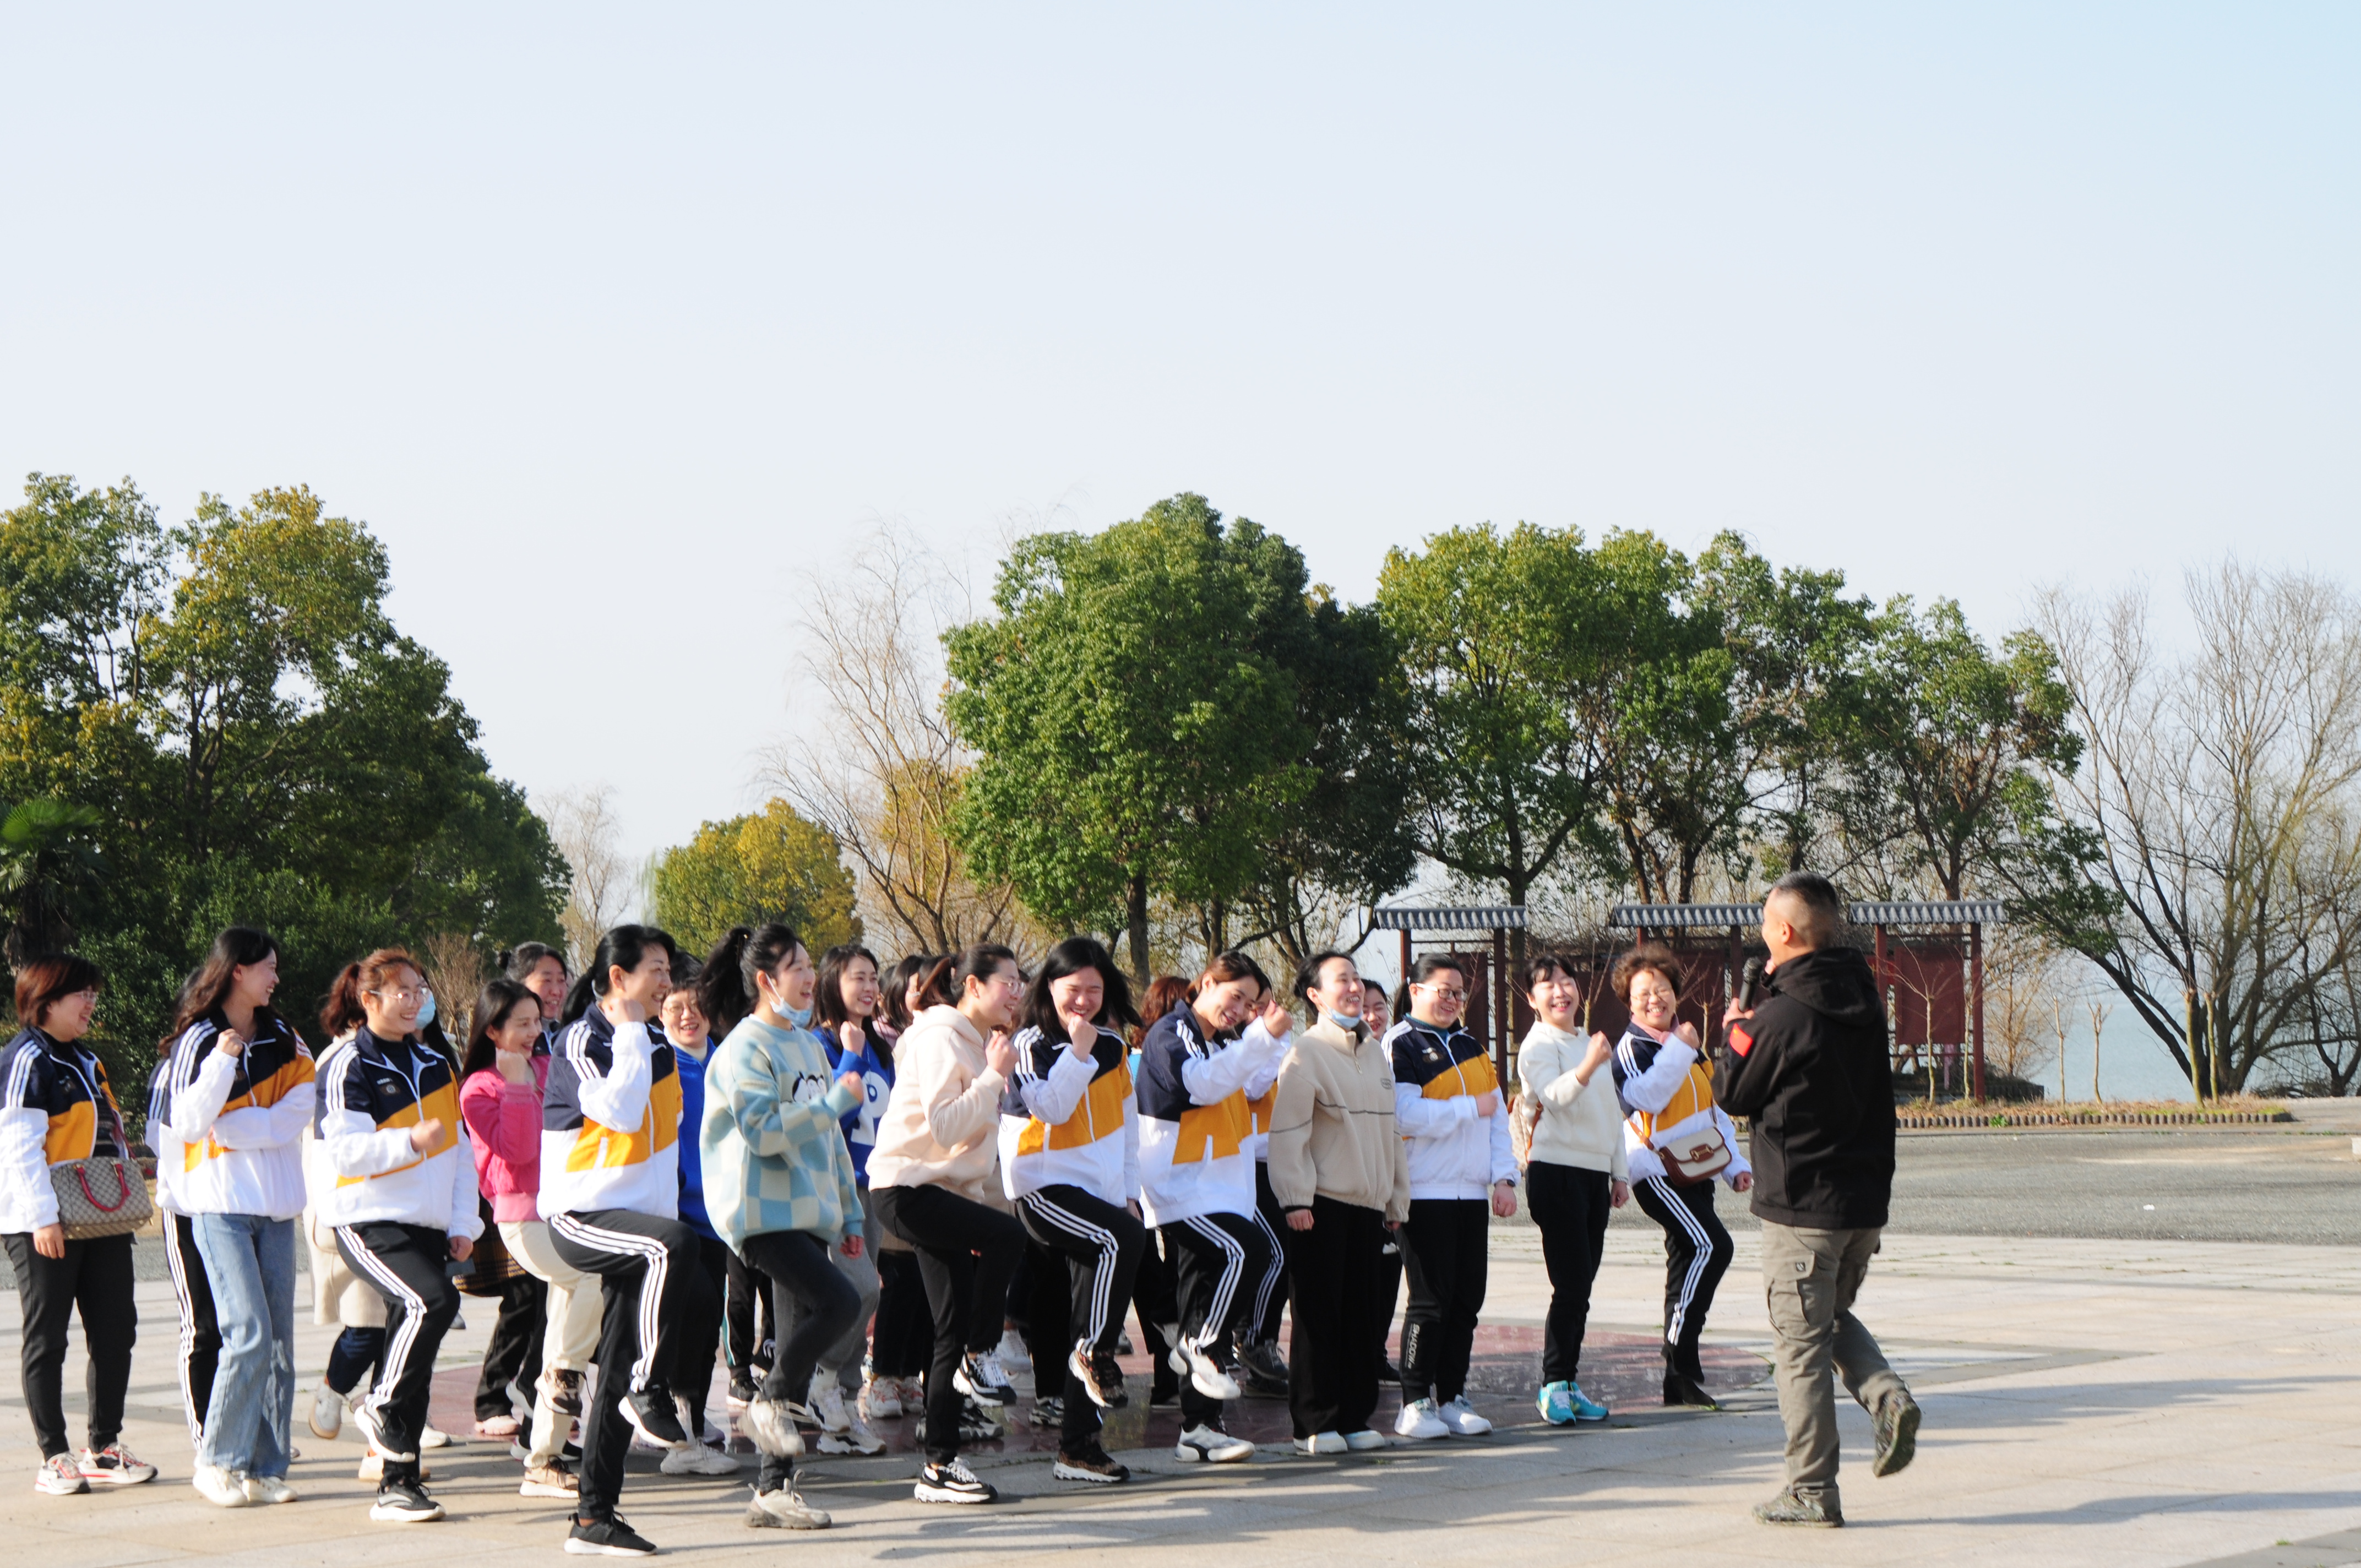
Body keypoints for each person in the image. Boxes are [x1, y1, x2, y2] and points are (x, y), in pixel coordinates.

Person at [1718, 873, 1917, 1529]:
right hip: (1862, 1207)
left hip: (1802, 1208)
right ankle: (1885, 1397)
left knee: (1799, 1347)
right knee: (1823, 1318)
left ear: (1783, 930)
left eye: (1764, 923)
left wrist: (1736, 1033)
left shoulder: (1780, 1017)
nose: (1761, 935)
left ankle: (1810, 1489)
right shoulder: (1864, 999)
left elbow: (1733, 1091)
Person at [698, 923, 868, 1528]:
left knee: (802, 1338)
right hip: (762, 1215)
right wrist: (833, 1103)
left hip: (809, 1212)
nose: (809, 977)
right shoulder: (743, 1049)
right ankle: (766, 1399)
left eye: (808, 966)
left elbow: (831, 1140)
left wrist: (849, 1211)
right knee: (841, 1302)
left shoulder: (809, 1046)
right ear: (766, 980)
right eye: (797, 967)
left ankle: (773, 1489)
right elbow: (764, 1132)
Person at [541, 924, 695, 1558]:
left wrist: (641, 1032)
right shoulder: (583, 1040)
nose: (667, 982)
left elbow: (662, 1142)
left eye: (668, 970)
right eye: (656, 970)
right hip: (581, 1214)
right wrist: (630, 1030)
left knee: (614, 1371)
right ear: (618, 978)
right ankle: (647, 1384)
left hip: (638, 1225)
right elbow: (622, 1113)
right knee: (674, 1247)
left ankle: (593, 1517)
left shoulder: (656, 1041)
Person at [315, 948, 482, 1523]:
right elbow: (344, 1151)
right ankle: (379, 1403)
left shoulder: (435, 1062)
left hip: (428, 1223)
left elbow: (461, 1153)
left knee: (412, 1347)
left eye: (420, 990)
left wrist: (463, 1223)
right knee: (431, 1301)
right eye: (403, 991)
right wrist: (410, 1141)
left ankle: (398, 1483)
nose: (415, 1001)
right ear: (369, 999)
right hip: (368, 1218)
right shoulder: (347, 1063)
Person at [868, 945, 1030, 1505]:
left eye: (1020, 982)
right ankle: (980, 1355)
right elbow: (943, 1127)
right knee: (1009, 1235)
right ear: (973, 986)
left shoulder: (981, 1044)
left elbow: (972, 1154)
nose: (1017, 992)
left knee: (950, 1328)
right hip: (906, 1189)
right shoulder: (941, 1035)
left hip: (941, 1194)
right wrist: (993, 1078)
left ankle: (939, 1465)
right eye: (1008, 981)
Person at [158, 927, 314, 1506]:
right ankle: (217, 1460)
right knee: (247, 1332)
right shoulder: (199, 1039)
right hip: (219, 1205)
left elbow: (301, 1108)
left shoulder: (285, 1037)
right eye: (267, 967)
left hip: (275, 1208)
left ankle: (264, 1468)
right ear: (237, 971)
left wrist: (239, 1127)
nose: (276, 977)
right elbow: (189, 1122)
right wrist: (223, 1062)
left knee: (279, 1346)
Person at [1, 954, 156, 1497]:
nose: (92, 1003)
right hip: (44, 1221)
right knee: (48, 1336)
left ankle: (104, 1446)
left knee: (116, 1328)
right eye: (81, 994)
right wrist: (43, 1218)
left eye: (93, 993)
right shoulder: (26, 1058)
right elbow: (18, 1147)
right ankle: (54, 1456)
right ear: (45, 1001)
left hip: (100, 1216)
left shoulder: (87, 1059)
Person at [999, 937, 1147, 1485]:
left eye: (1094, 989)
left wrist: (1128, 1194)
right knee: (1121, 1242)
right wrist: (1078, 1054)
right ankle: (1093, 1353)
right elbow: (1051, 1108)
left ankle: (1079, 1448)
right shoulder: (1028, 1044)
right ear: (1049, 988)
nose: (1083, 1000)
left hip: (1099, 1194)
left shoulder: (1112, 1045)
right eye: (1073, 989)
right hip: (1042, 1186)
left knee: (1091, 1317)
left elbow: (1127, 1126)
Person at [1136, 950, 1286, 1464]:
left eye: (1249, 1004)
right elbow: (1199, 1085)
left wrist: (1268, 1038)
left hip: (1220, 1188)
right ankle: (1202, 1346)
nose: (1239, 1010)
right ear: (1205, 983)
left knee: (1207, 1293)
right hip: (1182, 1188)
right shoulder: (1171, 1033)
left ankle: (1200, 1428)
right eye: (1234, 996)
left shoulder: (1224, 1041)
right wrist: (1261, 1038)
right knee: (1248, 1252)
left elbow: (1251, 1083)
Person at [456, 978, 597, 1500]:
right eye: (522, 1023)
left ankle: (544, 1455)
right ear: (493, 1030)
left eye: (537, 1021)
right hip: (522, 1218)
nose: (534, 1031)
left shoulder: (549, 1067)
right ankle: (561, 1380)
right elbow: (517, 1153)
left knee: (567, 1318)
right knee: (593, 1279)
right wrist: (516, 1084)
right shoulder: (478, 1089)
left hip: (565, 1210)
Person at [1265, 951, 1410, 1455]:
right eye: (1341, 980)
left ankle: (1354, 1418)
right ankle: (1315, 1422)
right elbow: (1289, 1133)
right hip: (1321, 1204)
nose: (1353, 988)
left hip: (1369, 1205)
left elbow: (1391, 1133)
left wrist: (1396, 1197)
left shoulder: (1374, 1054)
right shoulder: (1305, 1054)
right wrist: (1295, 1199)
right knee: (1319, 1316)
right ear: (1315, 995)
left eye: (1356, 979)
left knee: (1362, 1316)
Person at [1607, 943, 1753, 1411]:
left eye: (1663, 989)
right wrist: (1680, 1048)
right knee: (1713, 1246)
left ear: (1676, 992)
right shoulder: (1632, 1048)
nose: (1656, 999)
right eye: (1643, 994)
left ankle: (1679, 1380)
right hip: (1656, 1173)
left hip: (1697, 1168)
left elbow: (1712, 1110)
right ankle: (1679, 1350)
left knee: (1687, 1261)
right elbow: (1646, 1097)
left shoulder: (1687, 1045)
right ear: (1629, 1002)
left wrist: (1736, 1166)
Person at [1386, 954, 1516, 1440]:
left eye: (1459, 994)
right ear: (1415, 990)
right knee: (1430, 1301)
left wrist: (1504, 1179)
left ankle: (1453, 1396)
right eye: (1444, 991)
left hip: (1471, 1194)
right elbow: (1404, 1114)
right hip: (1425, 1191)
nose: (1453, 1001)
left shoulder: (1472, 1047)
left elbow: (1497, 1118)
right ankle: (1414, 1401)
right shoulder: (1399, 1043)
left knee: (1467, 1300)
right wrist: (1467, 1107)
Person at [1514, 954, 1629, 1427]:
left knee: (1581, 1287)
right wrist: (1589, 1064)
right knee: (1572, 1284)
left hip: (1592, 1175)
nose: (1560, 991)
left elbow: (1612, 1115)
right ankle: (1553, 1385)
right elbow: (1556, 1099)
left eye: (1567, 982)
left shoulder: (1587, 1043)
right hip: (1555, 1171)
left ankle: (1568, 1381)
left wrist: (1619, 1173)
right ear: (1532, 999)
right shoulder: (1537, 1045)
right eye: (1548, 985)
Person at [788, 943, 888, 1455]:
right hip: (831, 1188)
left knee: (868, 1293)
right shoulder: (818, 1046)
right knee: (858, 1289)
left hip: (872, 1187)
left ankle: (843, 1412)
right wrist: (849, 1054)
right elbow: (830, 1118)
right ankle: (823, 1383)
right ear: (832, 982)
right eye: (858, 978)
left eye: (873, 977)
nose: (869, 987)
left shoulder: (880, 1047)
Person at [655, 976, 744, 1477]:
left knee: (709, 1323)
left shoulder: (728, 1062)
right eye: (676, 1008)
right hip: (675, 1216)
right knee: (695, 1310)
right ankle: (676, 1423)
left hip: (722, 1215)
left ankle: (689, 1415)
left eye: (696, 1006)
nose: (688, 1016)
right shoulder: (660, 1064)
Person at [146, 1036, 218, 1459]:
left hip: (237, 1208)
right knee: (203, 1325)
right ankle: (208, 1435)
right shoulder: (174, 1069)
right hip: (187, 1209)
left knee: (248, 1328)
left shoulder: (257, 1050)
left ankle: (245, 1426)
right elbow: (156, 1133)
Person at [1233, 985, 1295, 1396]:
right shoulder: (1235, 1048)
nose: (1263, 1013)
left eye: (1267, 1004)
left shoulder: (1282, 1045)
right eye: (1252, 1006)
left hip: (1281, 1165)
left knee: (1284, 1259)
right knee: (1274, 1255)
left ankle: (1261, 1350)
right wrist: (1271, 1039)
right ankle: (1251, 1339)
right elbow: (1253, 1087)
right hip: (1243, 1166)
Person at [1361, 978, 1405, 1385]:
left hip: (1389, 1182)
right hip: (1356, 1186)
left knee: (1390, 1273)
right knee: (1363, 1277)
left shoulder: (1390, 1053)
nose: (1373, 1016)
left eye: (1379, 1007)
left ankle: (1375, 1353)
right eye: (1364, 1008)